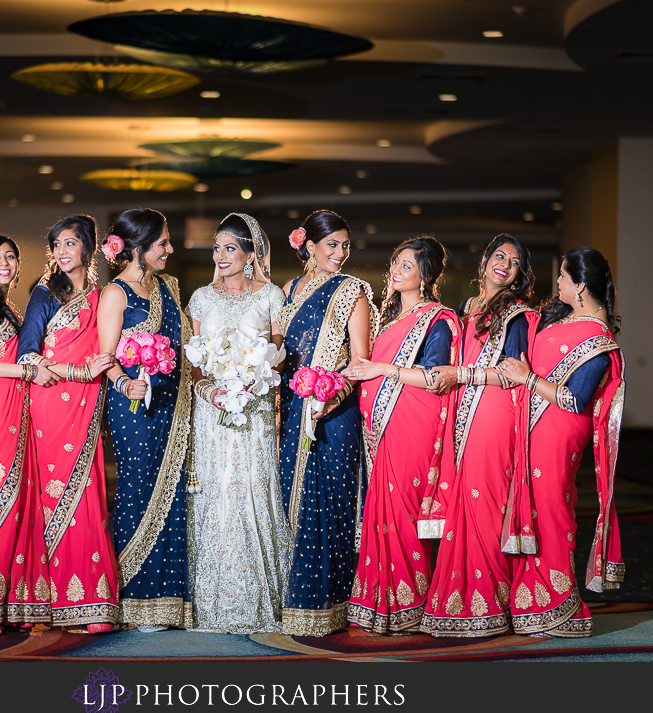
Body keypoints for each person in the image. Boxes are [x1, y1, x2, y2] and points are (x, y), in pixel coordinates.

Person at [496, 247, 625, 636]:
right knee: (529, 503)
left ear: (581, 286)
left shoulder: (598, 339)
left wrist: (526, 378)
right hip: (534, 421)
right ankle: (528, 601)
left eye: (564, 277)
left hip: (560, 427)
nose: (557, 283)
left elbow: (574, 399)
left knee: (551, 507)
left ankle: (559, 605)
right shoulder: (564, 319)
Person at [419, 233, 538, 638]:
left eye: (515, 261)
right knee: (459, 503)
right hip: (459, 411)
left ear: (520, 274)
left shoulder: (517, 314)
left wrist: (461, 376)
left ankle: (488, 603)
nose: (505, 263)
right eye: (499, 255)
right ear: (485, 260)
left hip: (492, 413)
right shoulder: (465, 309)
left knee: (484, 501)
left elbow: (511, 373)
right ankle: (456, 600)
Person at [342, 237, 462, 635]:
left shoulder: (437, 319)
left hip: (413, 423)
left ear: (425, 277)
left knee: (402, 513)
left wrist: (382, 369)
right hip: (381, 426)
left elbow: (435, 378)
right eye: (396, 262)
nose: (396, 269)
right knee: (382, 514)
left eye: (407, 266)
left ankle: (409, 602)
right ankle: (383, 602)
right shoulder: (390, 320)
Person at [185, 213, 293, 633]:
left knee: (251, 488)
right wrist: (209, 391)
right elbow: (195, 359)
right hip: (212, 413)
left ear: (251, 255)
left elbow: (279, 352)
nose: (221, 255)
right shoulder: (200, 297)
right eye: (217, 247)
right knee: (215, 492)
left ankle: (260, 599)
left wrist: (253, 383)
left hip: (256, 410)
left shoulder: (271, 298)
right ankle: (211, 604)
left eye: (230, 247)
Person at [276, 209, 376, 636]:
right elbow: (279, 352)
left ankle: (332, 605)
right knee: (290, 502)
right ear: (309, 246)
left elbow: (360, 362)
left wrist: (330, 400)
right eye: (332, 244)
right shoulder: (290, 288)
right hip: (290, 411)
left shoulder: (354, 290)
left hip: (334, 413)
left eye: (345, 245)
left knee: (333, 505)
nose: (340, 253)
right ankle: (297, 601)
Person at [17, 215, 119, 633]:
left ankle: (91, 600)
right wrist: (78, 372)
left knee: (89, 491)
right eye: (56, 244)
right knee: (58, 494)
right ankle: (60, 599)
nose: (61, 251)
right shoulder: (44, 293)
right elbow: (27, 354)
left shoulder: (101, 297)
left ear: (88, 249)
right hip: (53, 402)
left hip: (88, 403)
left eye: (70, 243)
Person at [97, 208, 192, 631]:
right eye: (162, 243)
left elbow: (188, 347)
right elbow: (106, 359)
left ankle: (170, 600)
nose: (169, 249)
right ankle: (136, 598)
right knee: (138, 489)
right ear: (137, 247)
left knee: (174, 494)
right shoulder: (116, 293)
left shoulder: (168, 286)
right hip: (135, 408)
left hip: (174, 404)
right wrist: (123, 384)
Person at [0, 234, 60, 635]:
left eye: (11, 256)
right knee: (1, 493)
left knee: (16, 495)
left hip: (13, 402)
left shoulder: (6, 304)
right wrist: (25, 371)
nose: (4, 262)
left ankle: (9, 602)